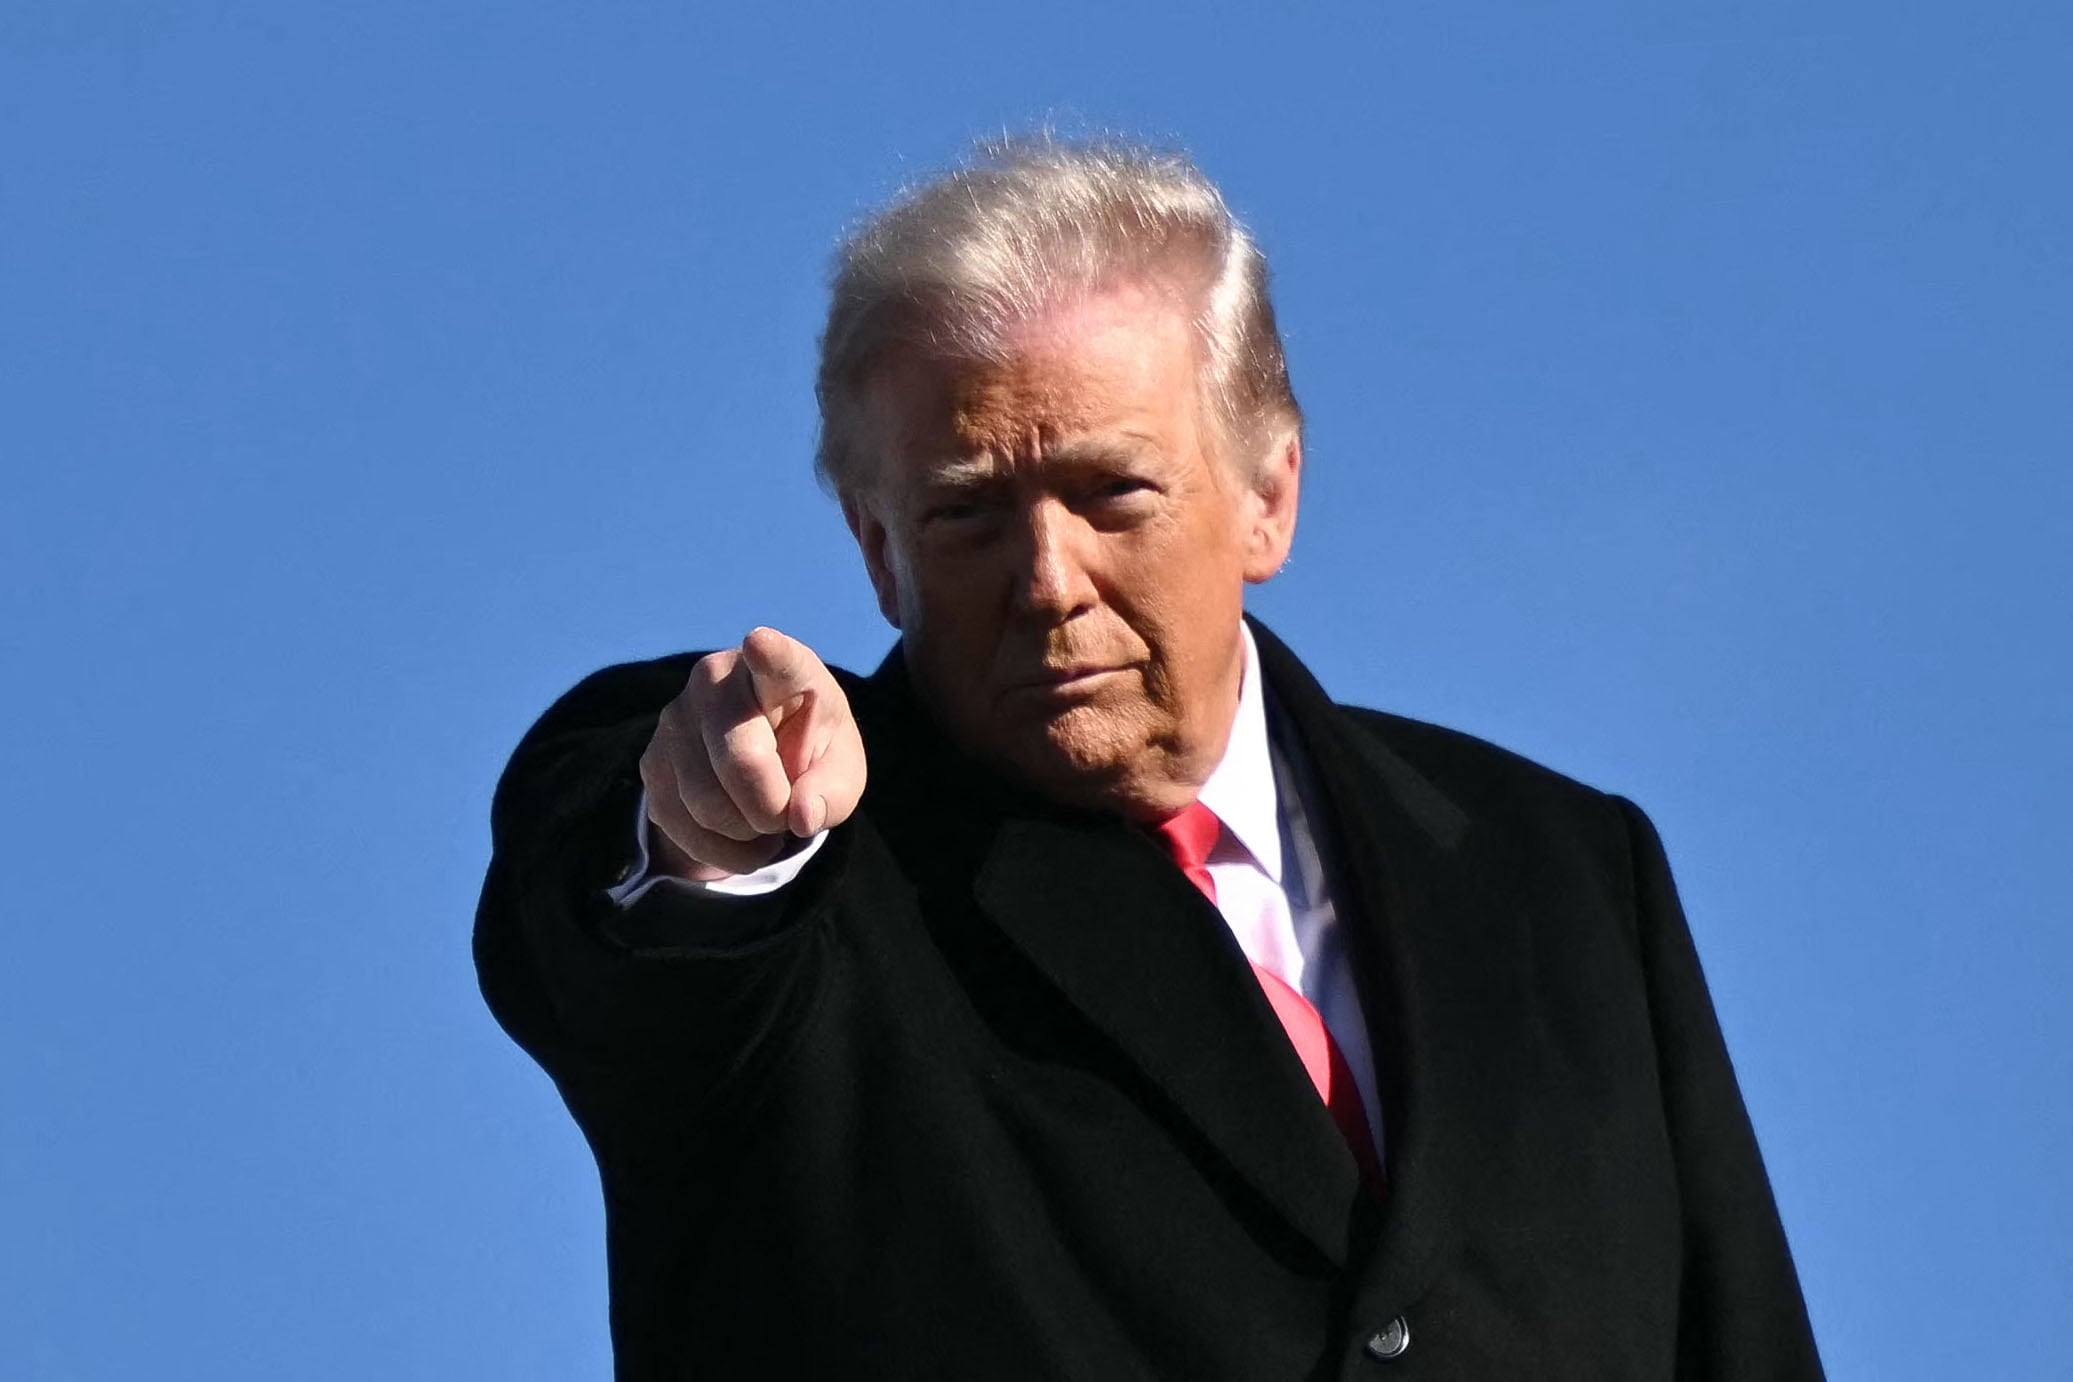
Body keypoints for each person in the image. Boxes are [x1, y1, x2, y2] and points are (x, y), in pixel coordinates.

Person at [476, 137, 1823, 1380]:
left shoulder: (1563, 872)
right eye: (963, 514)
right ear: (876, 551)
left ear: (1267, 492)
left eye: (1110, 491)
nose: (1047, 580)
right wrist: (708, 834)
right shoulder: (808, 869)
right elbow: (628, 945)